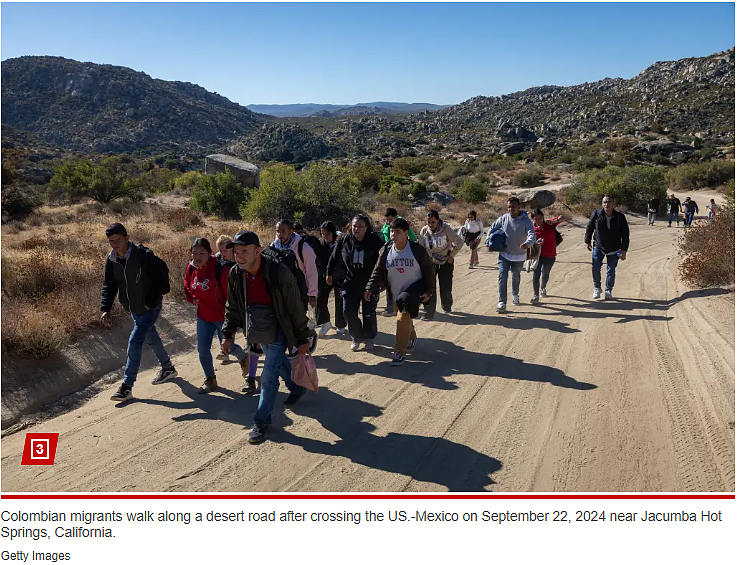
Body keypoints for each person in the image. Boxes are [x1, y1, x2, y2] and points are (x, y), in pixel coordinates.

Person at [221, 230, 311, 445]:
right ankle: (297, 388)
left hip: (280, 327)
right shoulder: (236, 273)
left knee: (269, 375)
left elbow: (295, 307)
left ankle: (261, 422)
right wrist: (227, 333)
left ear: (258, 251)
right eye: (236, 252)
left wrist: (302, 338)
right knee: (275, 362)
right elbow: (232, 306)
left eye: (244, 252)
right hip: (258, 327)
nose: (239, 256)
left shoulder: (278, 272)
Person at [101, 223, 177, 402]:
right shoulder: (111, 259)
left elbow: (159, 280)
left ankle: (126, 386)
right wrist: (105, 309)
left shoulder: (144, 255)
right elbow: (109, 285)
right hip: (134, 308)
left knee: (135, 342)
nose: (115, 245)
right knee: (151, 337)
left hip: (150, 308)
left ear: (127, 238)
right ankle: (168, 368)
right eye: (111, 242)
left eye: (118, 240)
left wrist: (150, 302)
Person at [184, 237, 256, 394]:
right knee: (202, 350)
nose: (197, 257)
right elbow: (187, 285)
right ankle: (210, 379)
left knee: (227, 348)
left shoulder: (220, 269)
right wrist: (191, 298)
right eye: (194, 253)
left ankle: (243, 358)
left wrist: (235, 319)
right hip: (204, 316)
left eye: (201, 253)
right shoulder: (191, 269)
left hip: (222, 317)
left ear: (210, 253)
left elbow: (232, 295)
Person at [366, 218, 435, 366]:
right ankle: (412, 336)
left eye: (398, 232)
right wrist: (369, 288)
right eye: (392, 231)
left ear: (406, 233)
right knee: (404, 316)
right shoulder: (385, 250)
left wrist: (429, 292)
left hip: (413, 292)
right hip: (395, 293)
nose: (393, 235)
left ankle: (399, 351)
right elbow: (377, 271)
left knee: (402, 317)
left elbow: (430, 272)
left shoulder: (417, 250)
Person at [326, 214, 384, 351]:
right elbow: (333, 258)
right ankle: (356, 337)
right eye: (354, 226)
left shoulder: (375, 241)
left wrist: (382, 281)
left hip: (370, 283)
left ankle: (369, 337)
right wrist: (329, 273)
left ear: (366, 227)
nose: (357, 229)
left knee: (368, 312)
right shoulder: (344, 241)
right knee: (348, 312)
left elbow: (384, 261)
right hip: (350, 282)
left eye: (360, 226)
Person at [487, 197, 536, 312]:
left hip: (519, 255)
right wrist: (488, 241)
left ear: (519, 207)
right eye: (509, 206)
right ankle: (502, 302)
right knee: (502, 276)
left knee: (515, 277)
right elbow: (492, 228)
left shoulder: (526, 221)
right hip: (504, 254)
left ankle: (515, 295)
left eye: (513, 206)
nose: (510, 209)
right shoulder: (504, 218)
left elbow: (532, 234)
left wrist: (528, 243)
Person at [418, 209, 464, 319]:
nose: (430, 224)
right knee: (430, 288)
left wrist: (451, 255)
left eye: (433, 222)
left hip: (445, 262)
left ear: (438, 220)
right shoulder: (424, 231)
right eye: (428, 222)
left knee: (446, 287)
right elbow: (421, 246)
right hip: (430, 263)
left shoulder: (446, 229)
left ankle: (447, 306)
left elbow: (459, 242)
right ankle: (429, 313)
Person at [585, 195, 629, 300]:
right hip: (599, 247)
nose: (607, 204)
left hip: (615, 248)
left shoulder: (619, 217)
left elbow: (625, 234)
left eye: (609, 202)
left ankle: (608, 289)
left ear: (613, 203)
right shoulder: (596, 214)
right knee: (595, 268)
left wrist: (624, 250)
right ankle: (597, 288)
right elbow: (590, 227)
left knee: (611, 270)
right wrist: (587, 241)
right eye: (604, 202)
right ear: (602, 203)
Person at [273, 219, 319, 313]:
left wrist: (312, 294)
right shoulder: (273, 247)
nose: (280, 234)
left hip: (299, 291)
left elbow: (311, 272)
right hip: (280, 291)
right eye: (278, 231)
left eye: (283, 231)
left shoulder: (304, 248)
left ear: (291, 231)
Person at [380, 208, 416, 317]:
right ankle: (390, 307)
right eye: (387, 220)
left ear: (396, 216)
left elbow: (413, 238)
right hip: (389, 255)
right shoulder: (386, 227)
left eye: (390, 219)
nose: (388, 222)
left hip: (402, 255)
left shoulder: (403, 225)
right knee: (389, 281)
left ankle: (404, 305)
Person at [315, 221, 347, 336]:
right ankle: (325, 322)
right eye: (322, 234)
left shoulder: (342, 242)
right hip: (325, 276)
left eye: (327, 234)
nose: (325, 237)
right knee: (319, 297)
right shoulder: (321, 243)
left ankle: (340, 324)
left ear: (333, 233)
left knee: (340, 300)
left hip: (340, 276)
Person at [530, 210, 563, 304]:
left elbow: (564, 218)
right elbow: (528, 241)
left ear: (543, 217)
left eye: (540, 217)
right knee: (536, 274)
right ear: (533, 219)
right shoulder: (531, 228)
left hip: (550, 255)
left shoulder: (549, 224)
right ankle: (535, 295)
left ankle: (543, 287)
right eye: (535, 218)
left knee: (545, 274)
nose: (538, 220)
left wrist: (554, 221)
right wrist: (535, 243)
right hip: (538, 255)